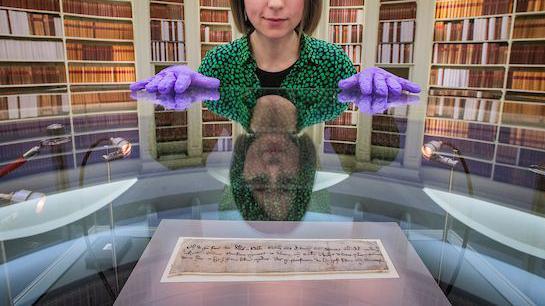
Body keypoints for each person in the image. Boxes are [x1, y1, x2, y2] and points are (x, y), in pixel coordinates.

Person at [130, 0, 421, 129]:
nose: (276, 3)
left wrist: (371, 89)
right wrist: (180, 91)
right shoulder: (217, 62)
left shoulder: (334, 61)